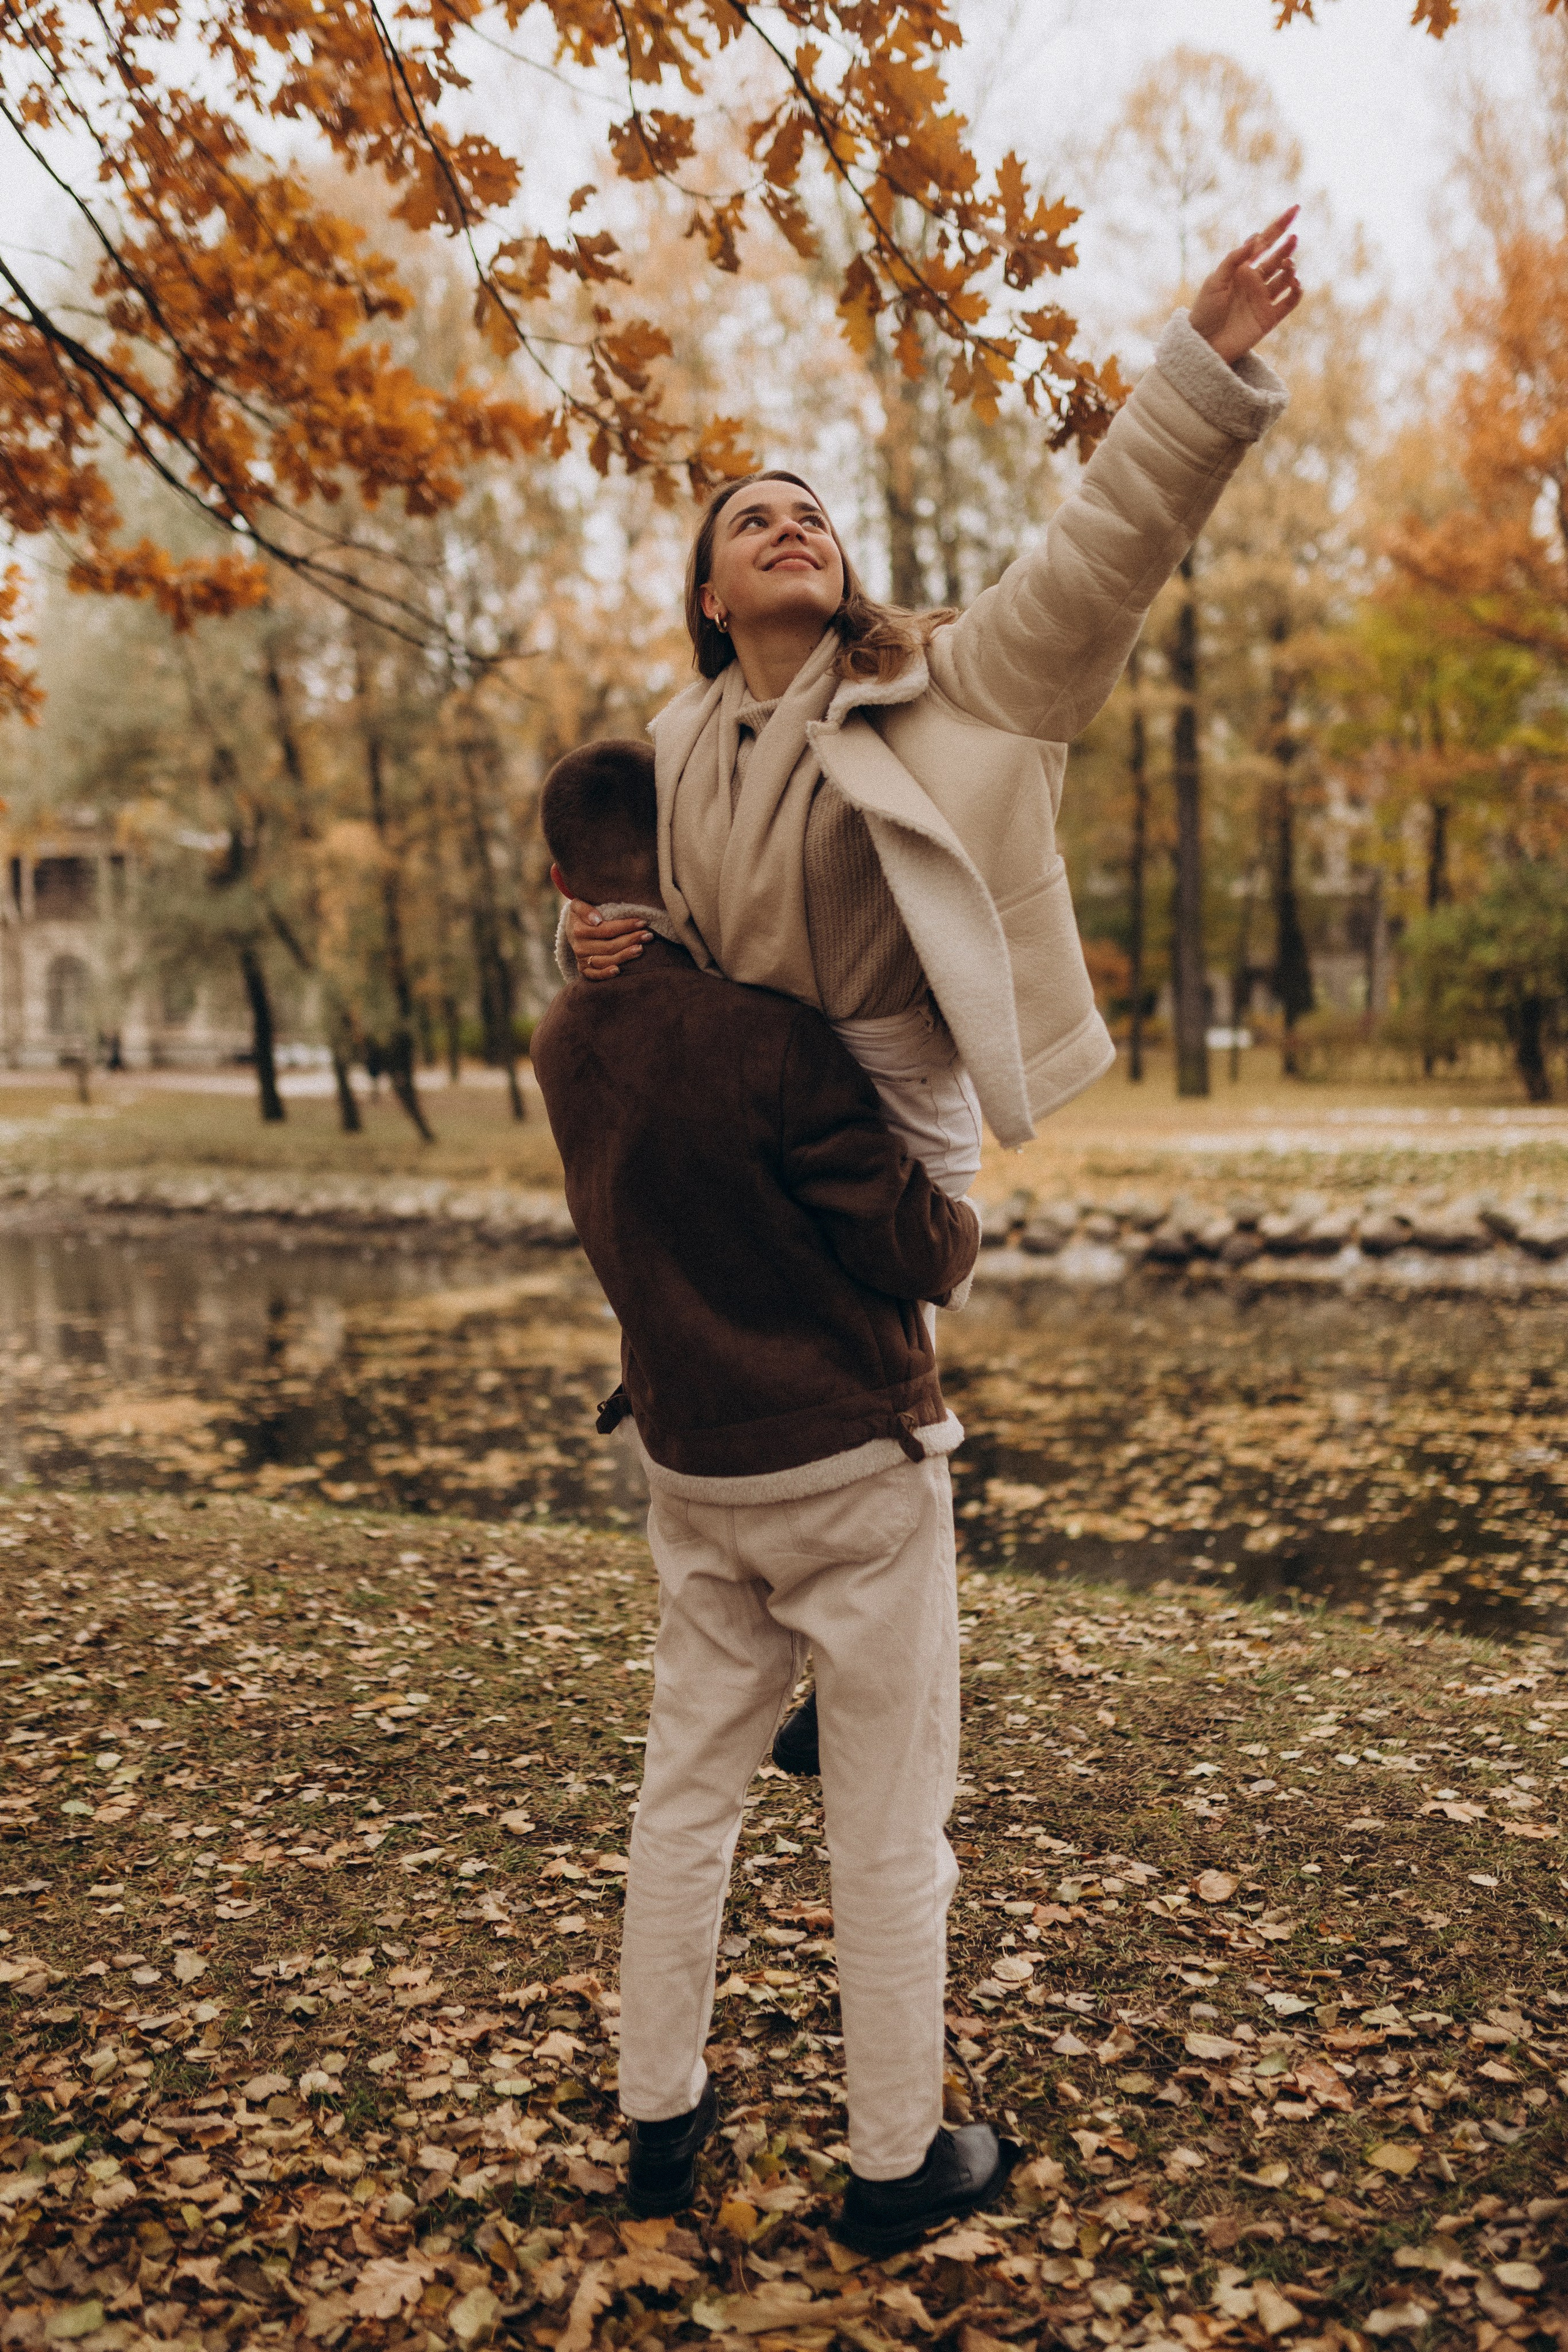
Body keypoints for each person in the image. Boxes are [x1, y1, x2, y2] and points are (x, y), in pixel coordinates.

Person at [559, 210, 1303, 1779]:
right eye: (749, 518)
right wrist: (601, 948)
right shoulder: (679, 739)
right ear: (707, 596)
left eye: (807, 512)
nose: (787, 524)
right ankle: (771, 1613)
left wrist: (1200, 365)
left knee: (885, 1340)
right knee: (750, 1356)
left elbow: (1095, 560)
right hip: (746, 1096)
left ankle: (864, 1669)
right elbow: (672, 924)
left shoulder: (940, 682)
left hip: (889, 1088)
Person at [530, 738, 1014, 2255]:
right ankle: (891, 2163)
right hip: (850, 1475)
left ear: (566, 888)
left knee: (684, 1804)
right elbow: (918, 1253)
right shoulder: (772, 1040)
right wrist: (956, 1189)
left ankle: (658, 2126)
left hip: (695, 1470)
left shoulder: (559, 1045)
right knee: (884, 1830)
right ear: (700, 869)